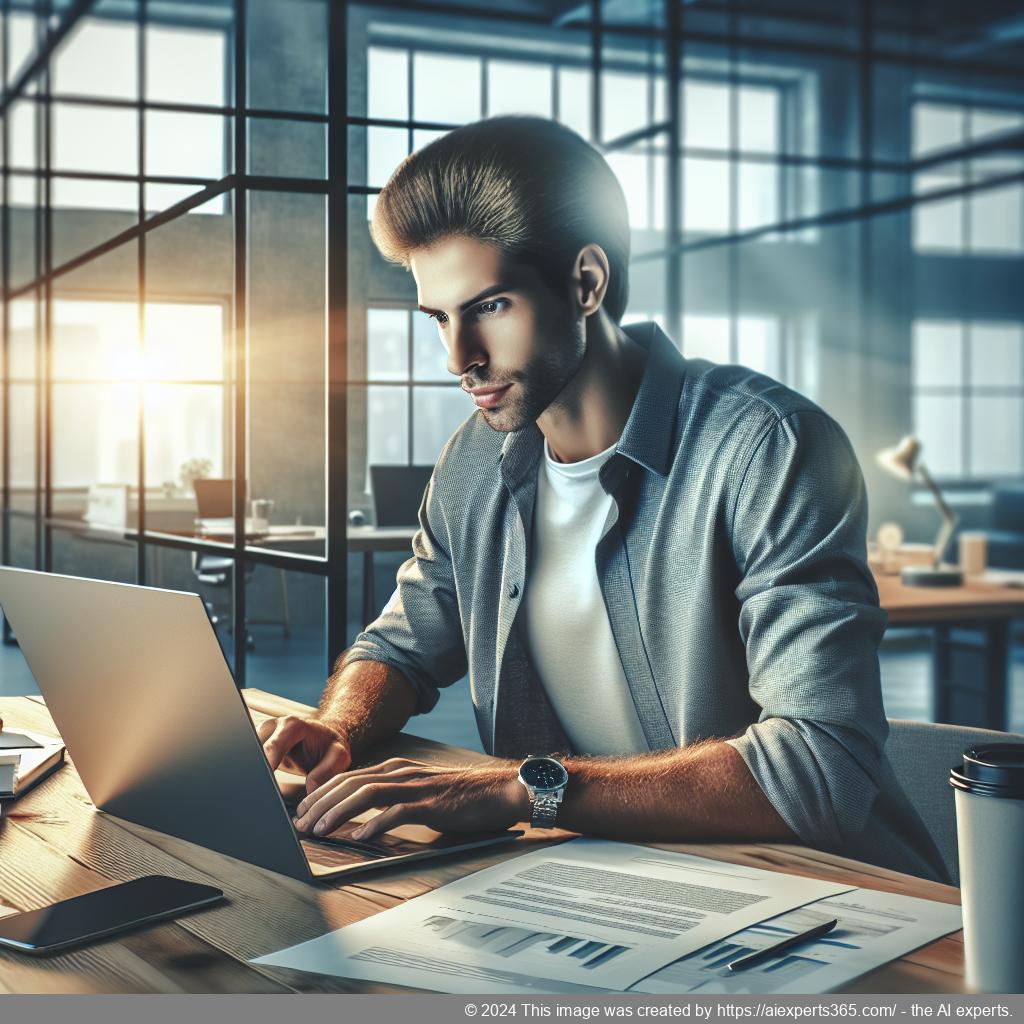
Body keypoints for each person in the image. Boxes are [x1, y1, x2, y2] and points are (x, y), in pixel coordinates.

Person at [259, 115, 947, 882]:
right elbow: (400, 648)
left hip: (830, 897)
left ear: (586, 283)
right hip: (608, 883)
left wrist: (527, 789)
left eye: (490, 307)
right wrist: (339, 727)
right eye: (440, 318)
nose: (459, 358)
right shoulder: (474, 460)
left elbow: (820, 765)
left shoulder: (769, 447)